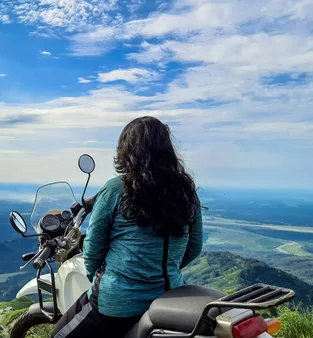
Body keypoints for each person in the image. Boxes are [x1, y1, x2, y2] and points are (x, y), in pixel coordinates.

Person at [50, 116, 204, 338]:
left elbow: (93, 247)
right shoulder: (186, 190)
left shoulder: (116, 189)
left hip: (117, 304)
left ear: (127, 150)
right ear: (167, 149)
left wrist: (99, 281)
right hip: (169, 299)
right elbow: (194, 246)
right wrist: (164, 270)